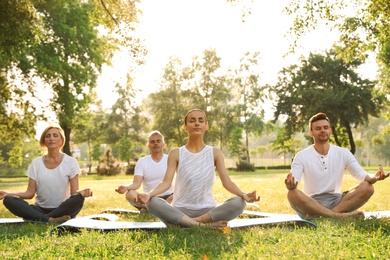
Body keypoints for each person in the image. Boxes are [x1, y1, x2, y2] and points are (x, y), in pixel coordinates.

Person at [138, 109, 260, 227]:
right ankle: (203, 226)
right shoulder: (176, 153)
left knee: (239, 203)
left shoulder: (215, 153)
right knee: (152, 202)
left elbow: (227, 182)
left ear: (206, 126)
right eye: (192, 120)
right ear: (185, 127)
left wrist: (243, 194)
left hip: (207, 211)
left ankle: (187, 223)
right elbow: (165, 183)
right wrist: (149, 195)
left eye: (201, 120)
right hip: (180, 209)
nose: (197, 123)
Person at [285, 112, 389, 219]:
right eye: (318, 128)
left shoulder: (343, 153)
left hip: (338, 202)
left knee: (368, 187)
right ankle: (337, 216)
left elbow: (361, 174)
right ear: (311, 132)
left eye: (325, 127)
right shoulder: (301, 156)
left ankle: (325, 216)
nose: (322, 130)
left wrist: (374, 178)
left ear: (330, 131)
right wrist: (291, 185)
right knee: (292, 194)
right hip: (311, 204)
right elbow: (294, 179)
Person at [0, 124, 92, 223]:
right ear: (44, 142)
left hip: (62, 208)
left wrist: (82, 192)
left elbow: (74, 193)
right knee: (9, 200)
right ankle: (50, 219)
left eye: (55, 136)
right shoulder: (36, 163)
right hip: (40, 208)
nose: (51, 138)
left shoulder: (71, 162)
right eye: (48, 136)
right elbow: (29, 193)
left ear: (61, 141)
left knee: (78, 199)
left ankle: (38, 218)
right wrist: (8, 194)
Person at [115, 130, 173, 211]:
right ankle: (155, 208)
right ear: (149, 146)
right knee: (130, 194)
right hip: (148, 198)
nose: (155, 143)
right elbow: (136, 183)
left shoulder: (170, 159)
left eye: (158, 141)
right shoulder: (142, 161)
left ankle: (150, 209)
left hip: (168, 197)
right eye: (152, 142)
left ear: (163, 144)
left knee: (176, 197)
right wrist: (126, 187)